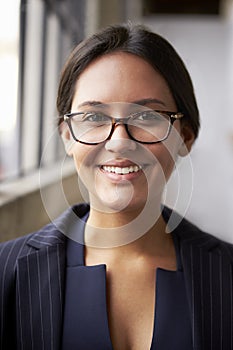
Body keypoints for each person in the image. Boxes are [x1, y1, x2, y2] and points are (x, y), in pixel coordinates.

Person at [0, 23, 233, 350]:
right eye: (94, 118)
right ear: (67, 136)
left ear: (186, 136)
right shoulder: (5, 272)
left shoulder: (228, 273)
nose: (120, 142)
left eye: (146, 116)